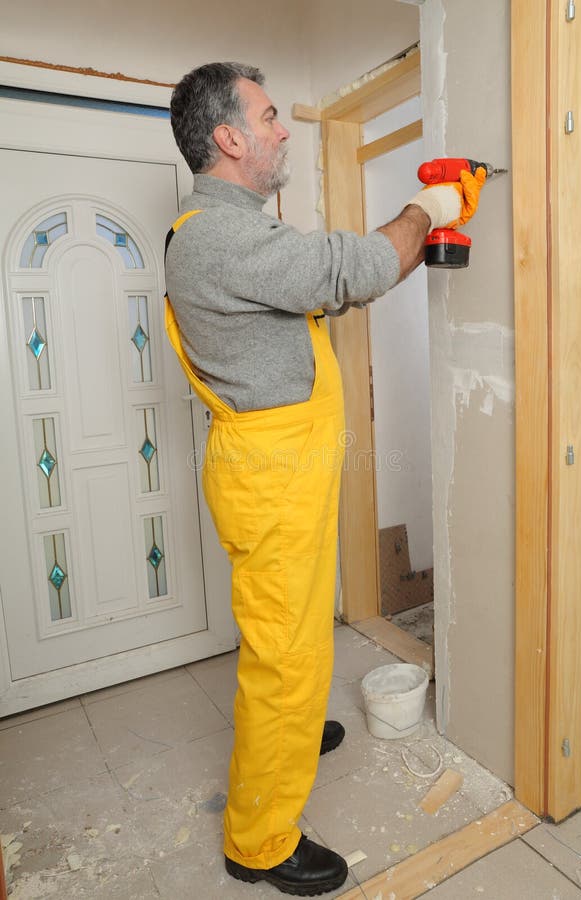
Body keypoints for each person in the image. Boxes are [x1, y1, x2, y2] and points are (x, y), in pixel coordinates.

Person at [165, 61, 485, 897]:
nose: (282, 131)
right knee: (285, 653)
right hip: (270, 476)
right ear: (229, 137)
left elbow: (346, 283)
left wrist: (420, 234)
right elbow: (346, 269)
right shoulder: (216, 235)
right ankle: (259, 840)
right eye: (270, 117)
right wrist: (430, 210)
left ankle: (294, 736)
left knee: (294, 636)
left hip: (282, 468)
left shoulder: (242, 234)